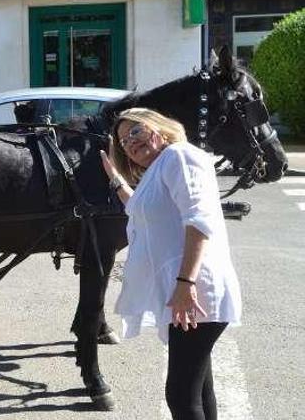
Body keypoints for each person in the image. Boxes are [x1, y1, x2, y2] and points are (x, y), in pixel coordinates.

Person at [100, 107, 241, 420]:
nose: (130, 142)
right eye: (123, 141)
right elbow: (139, 207)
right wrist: (115, 179)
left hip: (196, 291)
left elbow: (199, 221)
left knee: (180, 394)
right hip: (186, 290)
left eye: (135, 131)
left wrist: (185, 285)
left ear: (157, 126)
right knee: (199, 387)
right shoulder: (159, 169)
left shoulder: (179, 157)